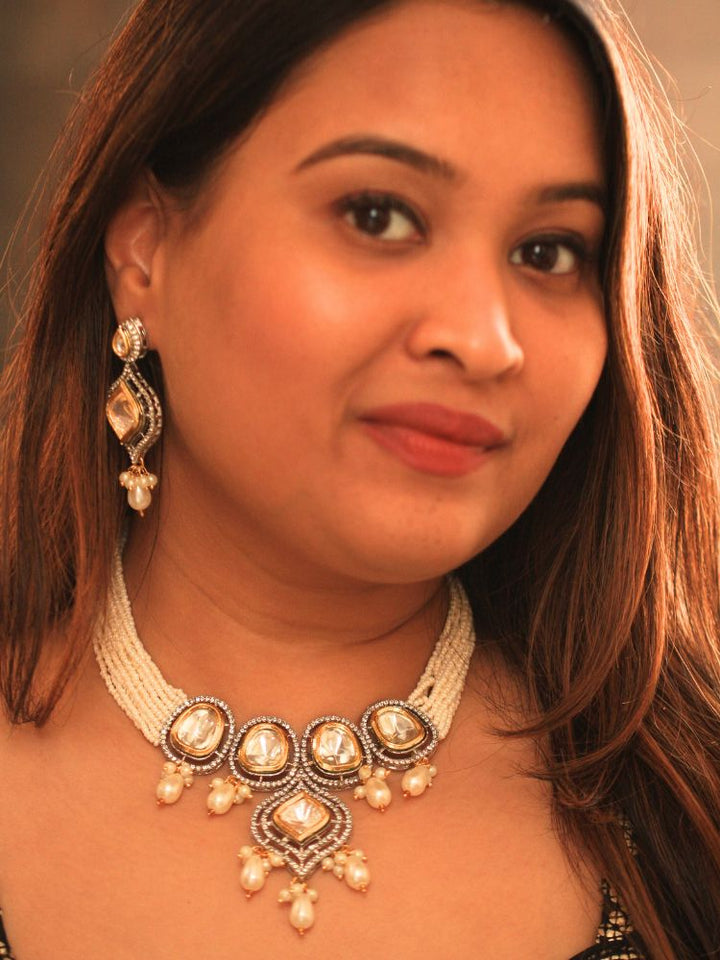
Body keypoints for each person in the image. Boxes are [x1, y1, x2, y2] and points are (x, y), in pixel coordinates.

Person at [0, 0, 718, 956]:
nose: (484, 339)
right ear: (145, 250)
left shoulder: (694, 806)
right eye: (379, 216)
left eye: (548, 252)